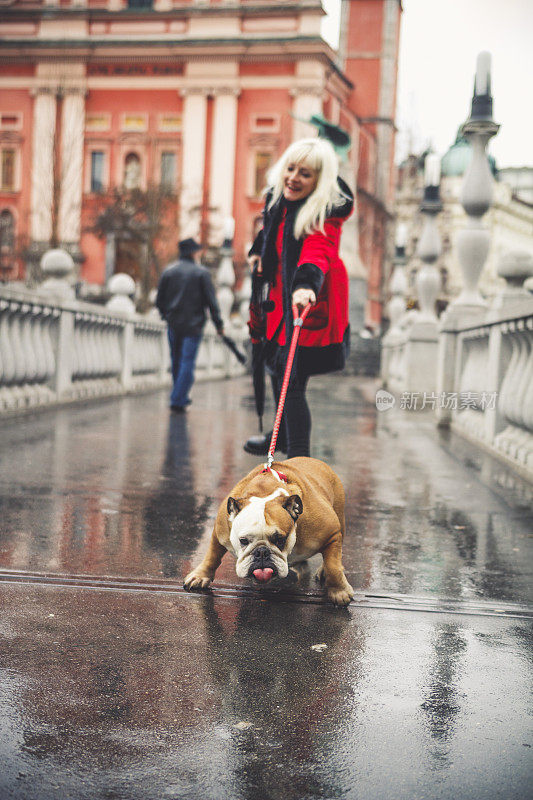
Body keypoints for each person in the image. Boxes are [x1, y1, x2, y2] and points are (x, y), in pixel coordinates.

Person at [244, 137, 354, 458]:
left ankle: (298, 460)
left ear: (319, 181)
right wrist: (258, 254)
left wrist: (306, 283)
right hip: (283, 299)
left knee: (291, 381)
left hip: (313, 299)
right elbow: (269, 235)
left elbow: (319, 250)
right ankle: (278, 438)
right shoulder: (280, 202)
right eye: (290, 168)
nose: (293, 178)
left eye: (305, 174)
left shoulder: (324, 211)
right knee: (279, 373)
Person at [156, 237, 224, 413]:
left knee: (176, 360)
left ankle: (179, 395)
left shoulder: (169, 271)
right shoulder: (201, 273)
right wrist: (219, 324)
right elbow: (211, 302)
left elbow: (159, 300)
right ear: (193, 252)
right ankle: (178, 398)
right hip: (193, 325)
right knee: (187, 361)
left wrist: (166, 315)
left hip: (174, 323)